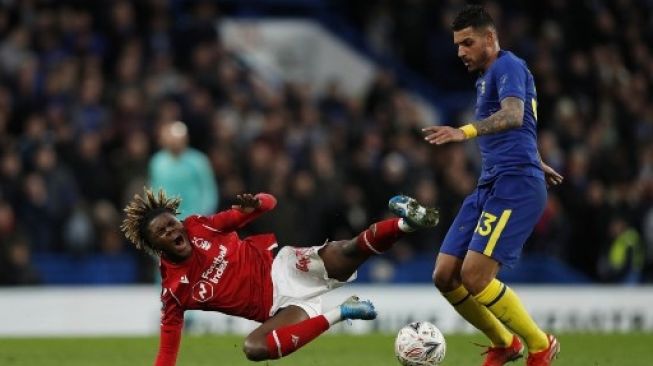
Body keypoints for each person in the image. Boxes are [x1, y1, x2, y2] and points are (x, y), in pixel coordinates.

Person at [407, 5, 564, 366]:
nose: (460, 51)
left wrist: (462, 131)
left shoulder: (507, 65)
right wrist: (536, 158)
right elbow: (517, 128)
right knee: (445, 275)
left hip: (514, 185)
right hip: (492, 182)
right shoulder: (485, 78)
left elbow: (513, 115)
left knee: (475, 276)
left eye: (467, 42)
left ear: (490, 38)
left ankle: (540, 345)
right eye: (458, 45)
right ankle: (504, 343)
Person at [121, 187, 438, 365]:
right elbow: (166, 351)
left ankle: (407, 223)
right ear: (155, 247)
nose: (173, 229)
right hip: (280, 311)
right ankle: (343, 312)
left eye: (171, 223)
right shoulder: (175, 291)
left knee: (347, 250)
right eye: (162, 232)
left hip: (282, 267)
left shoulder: (200, 226)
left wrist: (253, 205)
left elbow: (270, 202)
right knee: (254, 349)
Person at [149, 121, 218, 219]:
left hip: (195, 217)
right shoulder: (157, 162)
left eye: (179, 139)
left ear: (186, 139)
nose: (175, 142)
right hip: (167, 219)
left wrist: (204, 215)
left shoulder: (198, 161)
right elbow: (153, 189)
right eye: (172, 139)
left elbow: (208, 190)